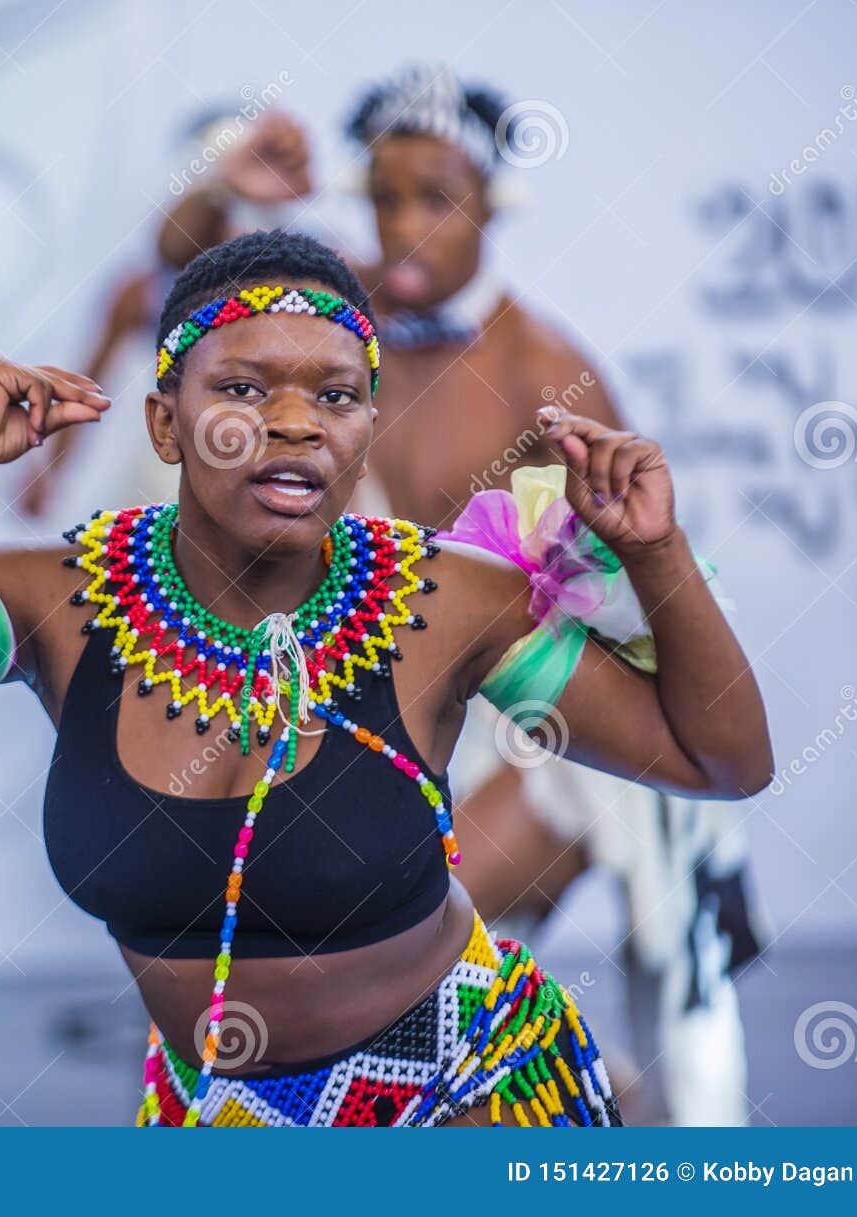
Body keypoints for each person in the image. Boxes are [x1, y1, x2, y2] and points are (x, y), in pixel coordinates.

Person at [0, 230, 772, 1127]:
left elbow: (717, 757)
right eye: (238, 388)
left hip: (469, 1097)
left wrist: (657, 551)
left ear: (369, 426)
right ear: (163, 423)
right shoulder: (54, 598)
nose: (293, 422)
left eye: (336, 395)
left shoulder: (446, 601)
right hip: (212, 1117)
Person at [155, 66, 770, 1124]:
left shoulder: (544, 370)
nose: (403, 226)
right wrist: (227, 182)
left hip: (544, 727)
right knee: (291, 955)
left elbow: (636, 597)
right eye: (384, 197)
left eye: (435, 197)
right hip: (400, 717)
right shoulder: (340, 328)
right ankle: (575, 1104)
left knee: (369, 961)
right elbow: (182, 271)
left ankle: (583, 1104)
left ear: (492, 206)